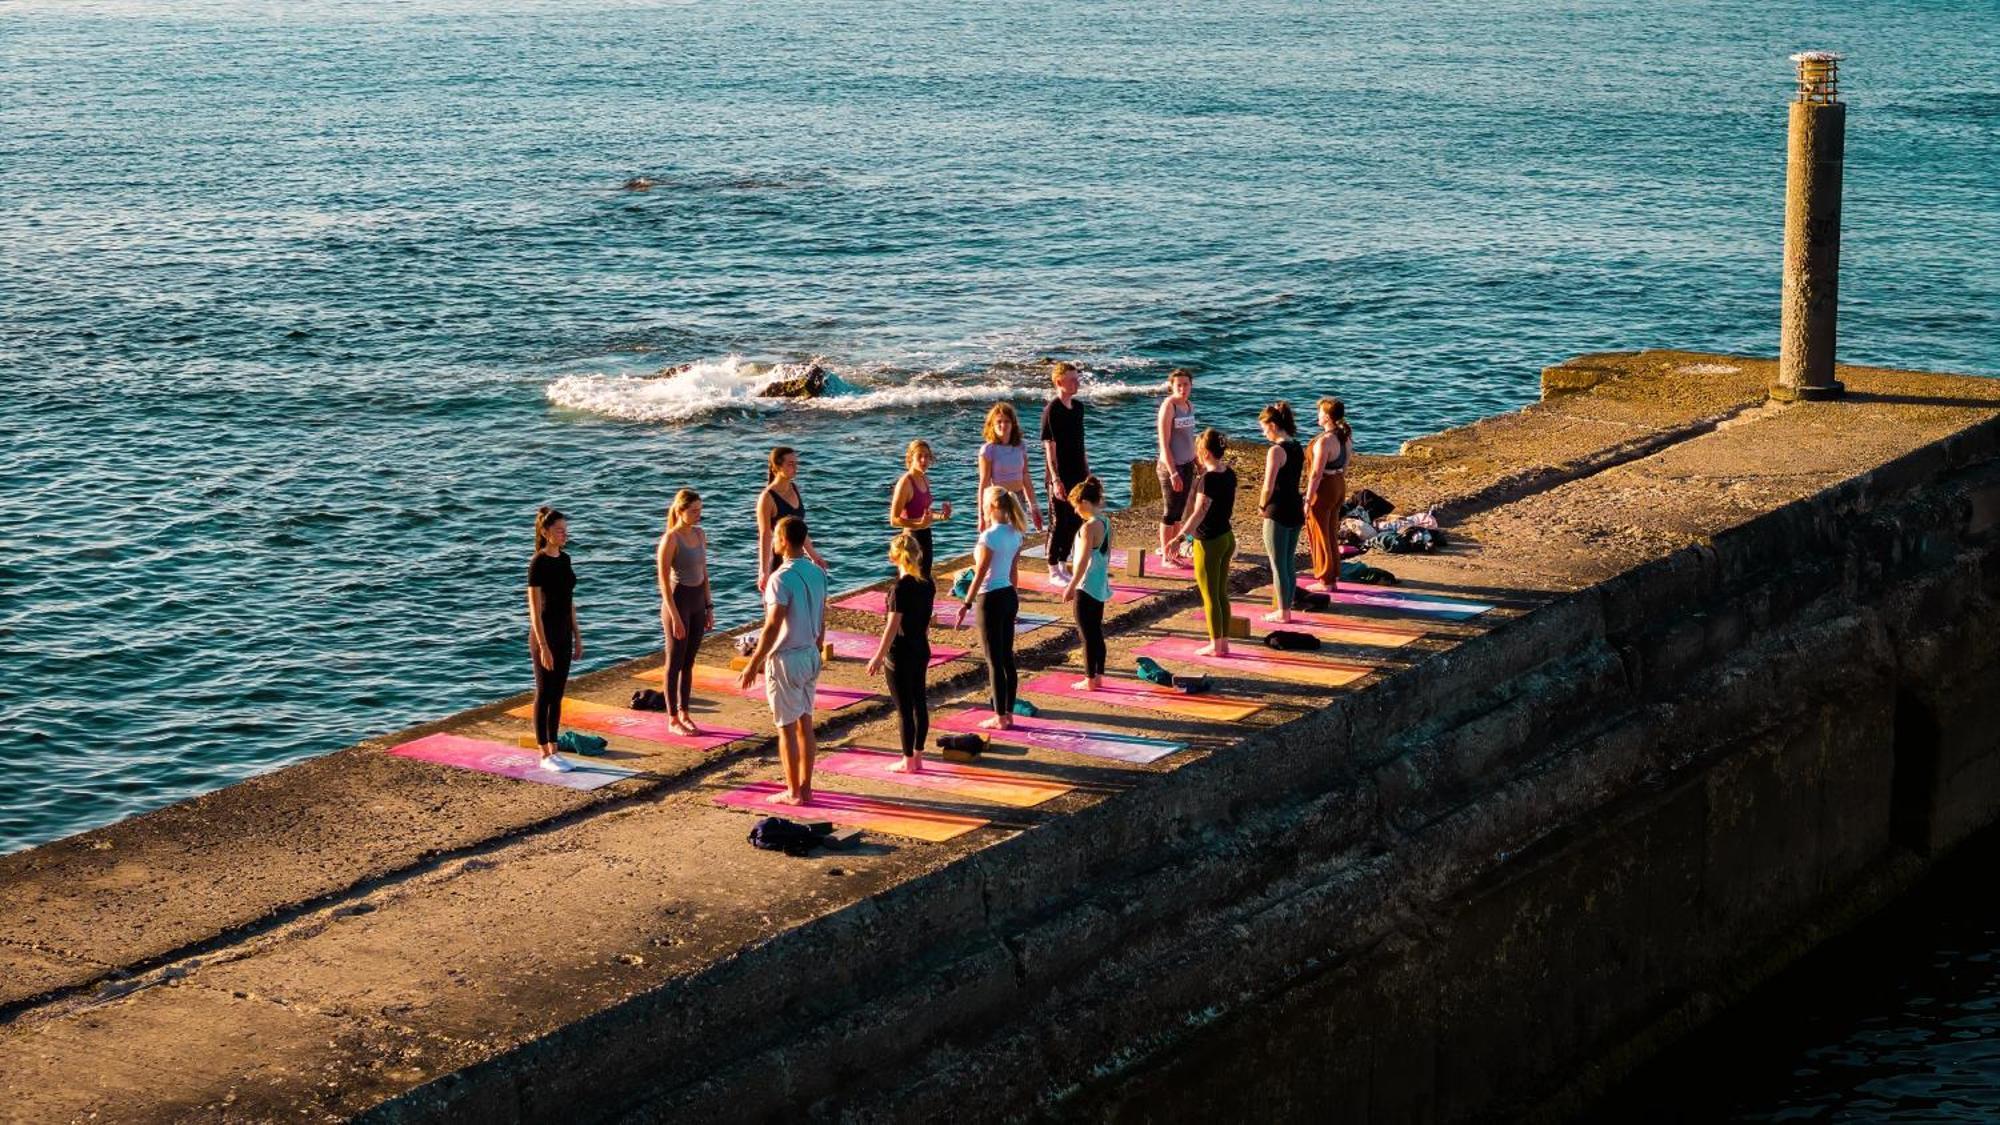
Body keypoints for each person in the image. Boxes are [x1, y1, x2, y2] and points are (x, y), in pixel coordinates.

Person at [738, 516, 828, 804]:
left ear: (785, 541)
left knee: (786, 728)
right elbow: (822, 615)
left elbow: (773, 625)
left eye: (776, 536)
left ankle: (793, 792)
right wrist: (818, 646)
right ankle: (807, 787)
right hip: (811, 653)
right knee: (806, 723)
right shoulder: (818, 572)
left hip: (787, 658)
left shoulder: (779, 579)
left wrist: (754, 663)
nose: (773, 540)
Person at [954, 487, 1026, 729]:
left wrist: (966, 603)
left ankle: (999, 716)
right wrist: (1014, 600)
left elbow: (981, 572)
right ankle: (1009, 712)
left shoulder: (988, 537)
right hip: (1008, 595)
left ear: (992, 507)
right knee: (1007, 658)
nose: (982, 507)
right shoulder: (1016, 534)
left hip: (990, 599)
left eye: (985, 504)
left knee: (993, 660)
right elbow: (1013, 571)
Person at [865, 531, 935, 772]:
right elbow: (926, 621)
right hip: (920, 647)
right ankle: (918, 756)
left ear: (893, 558)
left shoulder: (898, 589)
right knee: (920, 703)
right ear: (918, 555)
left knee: (904, 709)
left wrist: (877, 656)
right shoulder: (927, 585)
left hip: (900, 652)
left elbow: (892, 627)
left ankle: (907, 761)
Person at [526, 506, 583, 771]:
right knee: (544, 692)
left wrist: (577, 635)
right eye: (559, 530)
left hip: (563, 633)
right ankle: (544, 752)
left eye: (565, 530)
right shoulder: (538, 562)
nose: (564, 534)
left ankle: (555, 748)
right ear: (546, 532)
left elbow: (570, 601)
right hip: (544, 635)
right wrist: (544, 646)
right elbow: (534, 610)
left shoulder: (565, 559)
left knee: (558, 694)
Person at [1172, 429, 1237, 657]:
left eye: (1199, 451)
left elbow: (1199, 513)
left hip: (1209, 541)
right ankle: (1224, 642)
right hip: (1227, 537)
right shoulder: (1229, 473)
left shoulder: (1208, 479)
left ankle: (1215, 644)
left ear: (1206, 453)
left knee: (1210, 596)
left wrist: (1180, 537)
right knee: (1221, 593)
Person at [655, 489, 712, 737]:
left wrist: (709, 607)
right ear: (680, 511)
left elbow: (704, 572)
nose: (698, 515)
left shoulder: (700, 534)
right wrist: (675, 616)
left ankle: (685, 712)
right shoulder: (671, 539)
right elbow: (664, 582)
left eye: (700, 510)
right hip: (678, 603)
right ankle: (672, 717)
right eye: (693, 511)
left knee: (689, 662)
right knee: (675, 661)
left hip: (698, 602)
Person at [1058, 475, 1113, 691]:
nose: (1075, 511)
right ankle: (1098, 675)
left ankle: (1089, 679)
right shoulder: (1106, 522)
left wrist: (1071, 586)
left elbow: (1080, 563)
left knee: (1086, 635)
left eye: (1076, 506)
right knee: (1096, 631)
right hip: (1099, 585)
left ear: (1085, 503)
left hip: (1086, 586)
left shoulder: (1088, 528)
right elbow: (1106, 554)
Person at [1257, 402, 1306, 623]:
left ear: (1274, 425)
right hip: (1295, 507)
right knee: (1288, 562)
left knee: (1277, 565)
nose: (1263, 432)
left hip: (1277, 510)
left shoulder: (1276, 450)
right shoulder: (1296, 446)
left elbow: (1268, 485)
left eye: (1264, 427)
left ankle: (1283, 611)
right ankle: (1287, 606)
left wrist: (1261, 505)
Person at [1040, 362, 1088, 585]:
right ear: (1059, 382)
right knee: (1058, 521)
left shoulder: (1078, 408)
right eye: (1072, 379)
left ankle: (1063, 563)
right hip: (1059, 474)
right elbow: (1049, 445)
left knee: (1076, 519)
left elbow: (1081, 443)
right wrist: (1056, 478)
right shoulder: (1052, 409)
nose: (1076, 383)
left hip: (1078, 471)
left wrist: (1087, 472)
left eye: (1077, 379)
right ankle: (1051, 568)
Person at [757, 446, 826, 594]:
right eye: (790, 464)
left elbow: (800, 528)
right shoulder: (767, 497)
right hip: (778, 559)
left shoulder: (794, 488)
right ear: (777, 466)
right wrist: (763, 571)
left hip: (797, 558)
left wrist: (813, 555)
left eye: (796, 463)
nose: (795, 468)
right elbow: (764, 535)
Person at [1304, 398, 1352, 592]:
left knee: (1319, 532)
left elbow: (1316, 473)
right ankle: (1333, 574)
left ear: (1327, 416)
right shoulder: (1346, 437)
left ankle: (1325, 578)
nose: (1318, 415)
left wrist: (1308, 498)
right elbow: (1346, 465)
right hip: (1339, 483)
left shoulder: (1324, 441)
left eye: (1320, 412)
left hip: (1324, 487)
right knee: (1331, 531)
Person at [888, 439, 952, 580]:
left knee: (926, 580)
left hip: (926, 535)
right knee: (911, 582)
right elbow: (894, 520)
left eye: (927, 456)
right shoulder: (905, 483)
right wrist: (918, 525)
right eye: (920, 456)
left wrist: (942, 516)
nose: (924, 460)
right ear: (911, 458)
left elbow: (925, 513)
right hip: (911, 540)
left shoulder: (925, 479)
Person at [977, 403, 1043, 536]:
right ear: (992, 425)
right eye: (999, 422)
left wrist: (1034, 506)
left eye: (1007, 421)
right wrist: (982, 515)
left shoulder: (1020, 446)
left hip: (1018, 498)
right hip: (999, 499)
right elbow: (984, 483)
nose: (1003, 425)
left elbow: (1025, 476)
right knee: (1001, 540)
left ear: (1013, 424)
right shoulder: (988, 450)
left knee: (1018, 539)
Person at [1155, 368, 1197, 565]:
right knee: (1170, 512)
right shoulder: (1169, 406)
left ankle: (1175, 549)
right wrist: (1173, 472)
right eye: (1178, 385)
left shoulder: (1189, 406)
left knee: (1180, 512)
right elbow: (1164, 443)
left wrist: (1196, 460)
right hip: (1171, 467)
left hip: (1188, 464)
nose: (1182, 388)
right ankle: (1165, 555)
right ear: (1171, 386)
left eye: (1186, 384)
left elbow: (1190, 437)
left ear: (1191, 385)